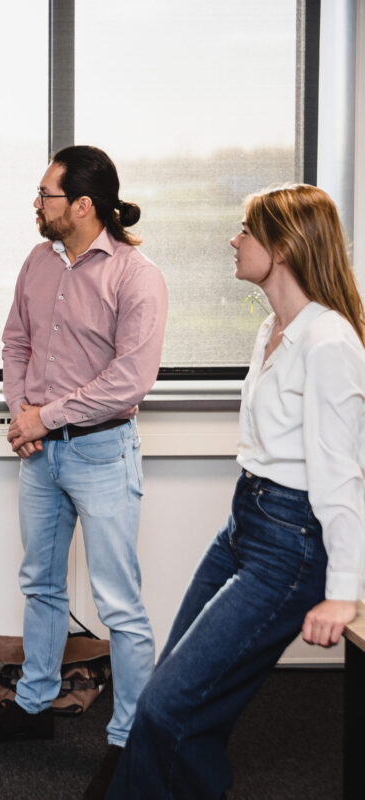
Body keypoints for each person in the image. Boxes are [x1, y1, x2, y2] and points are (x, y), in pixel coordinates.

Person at [107, 184, 365, 799]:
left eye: (246, 229)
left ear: (282, 246)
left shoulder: (330, 343)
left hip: (292, 542)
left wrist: (343, 596)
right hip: (247, 522)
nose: (234, 239)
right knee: (164, 701)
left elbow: (344, 475)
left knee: (170, 709)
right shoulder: (274, 329)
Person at [0, 145, 168, 799]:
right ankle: (32, 709)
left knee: (120, 608)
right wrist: (23, 413)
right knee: (41, 585)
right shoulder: (38, 262)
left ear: (82, 205)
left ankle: (128, 742)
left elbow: (129, 381)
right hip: (41, 455)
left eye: (46, 195)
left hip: (102, 451)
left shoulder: (135, 276)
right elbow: (15, 341)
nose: (37, 206)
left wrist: (45, 416)